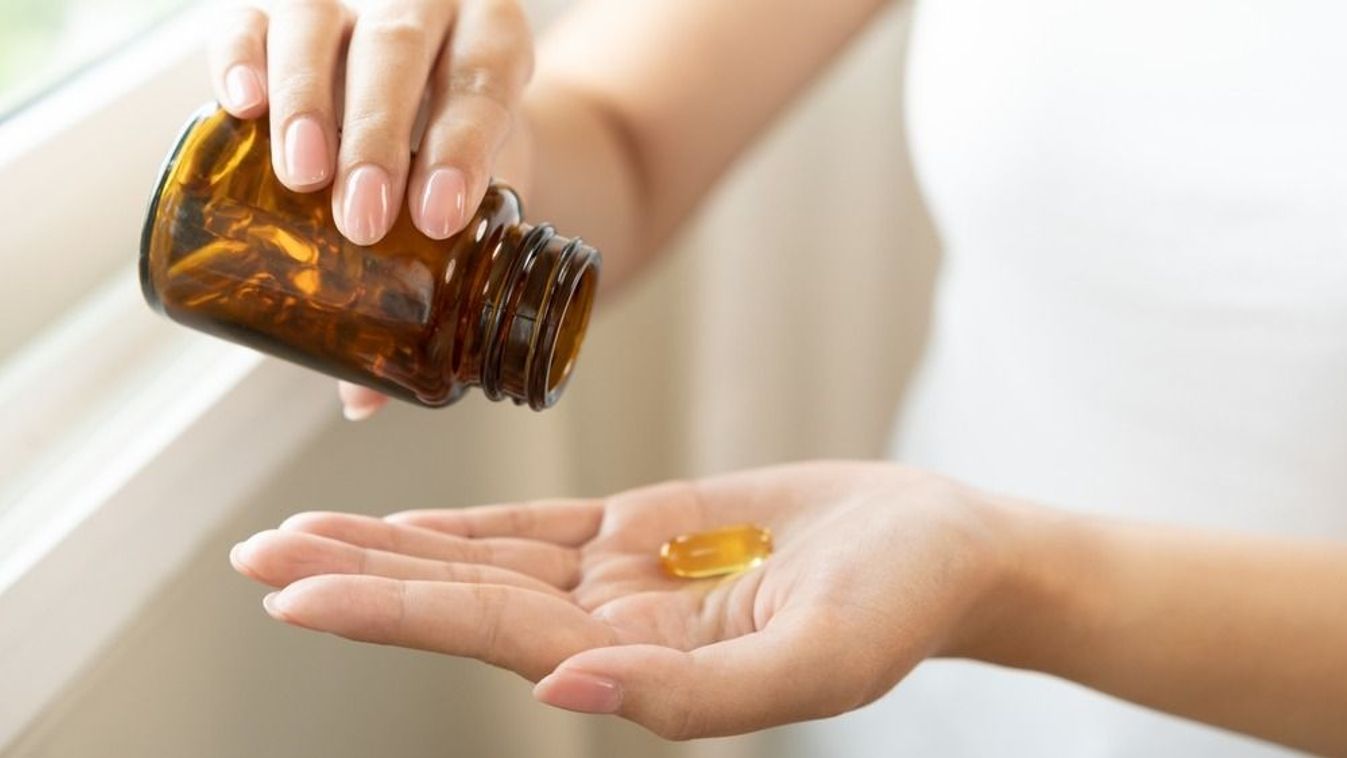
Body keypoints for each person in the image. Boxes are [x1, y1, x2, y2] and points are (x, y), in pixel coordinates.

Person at [216, 0, 1347, 754]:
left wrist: (1016, 579)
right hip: (930, 708)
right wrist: (456, 148)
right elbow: (631, 135)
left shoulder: (981, 574)